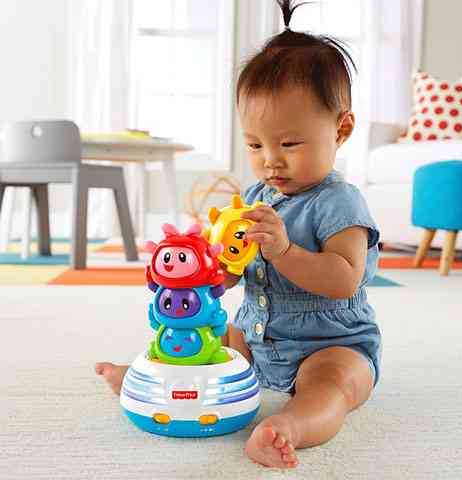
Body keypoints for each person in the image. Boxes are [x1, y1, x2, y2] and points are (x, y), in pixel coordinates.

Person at [96, 0, 382, 469]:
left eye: (289, 143)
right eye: (254, 144)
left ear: (341, 128)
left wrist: (284, 250)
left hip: (330, 343)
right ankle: (153, 379)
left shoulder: (339, 203)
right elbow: (231, 272)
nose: (271, 159)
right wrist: (204, 270)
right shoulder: (253, 199)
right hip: (255, 336)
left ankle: (288, 427)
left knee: (332, 386)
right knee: (203, 339)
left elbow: (344, 279)